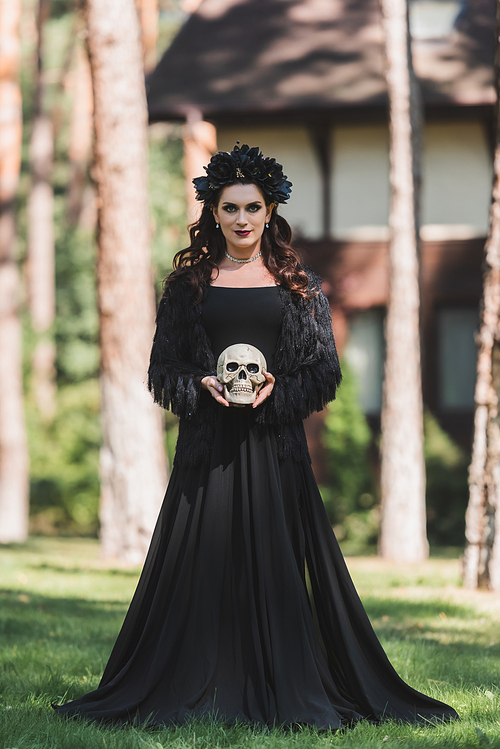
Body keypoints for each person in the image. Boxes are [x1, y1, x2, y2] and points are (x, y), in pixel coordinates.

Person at [55, 144, 458, 729]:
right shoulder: (187, 287)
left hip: (275, 451)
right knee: (201, 572)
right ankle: (197, 682)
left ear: (270, 211)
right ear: (212, 214)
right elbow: (160, 369)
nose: (241, 220)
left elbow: (325, 372)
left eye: (252, 207)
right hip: (206, 453)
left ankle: (284, 683)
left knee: (276, 567)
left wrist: (277, 390)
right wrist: (198, 384)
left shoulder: (300, 287)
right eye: (229, 208)